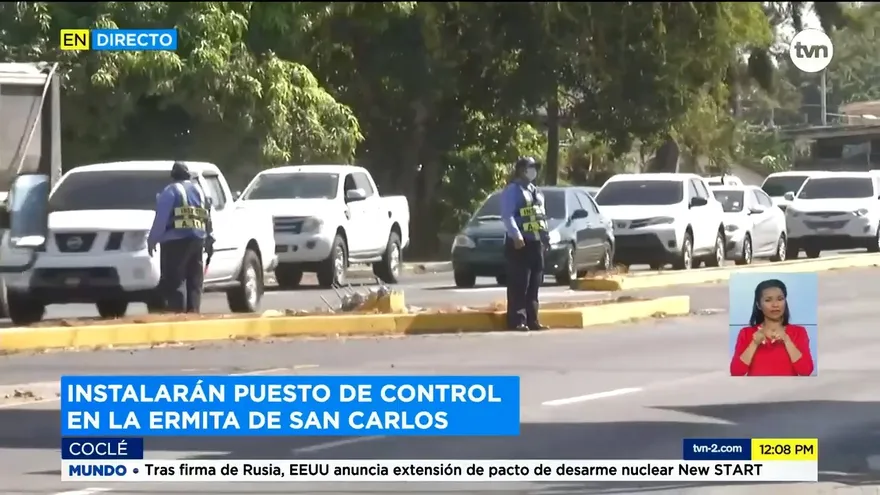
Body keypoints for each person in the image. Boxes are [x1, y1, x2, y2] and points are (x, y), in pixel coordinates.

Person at [147, 161, 214, 313]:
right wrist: (210, 241)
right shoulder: (200, 192)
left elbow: (161, 219)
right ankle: (193, 315)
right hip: (197, 240)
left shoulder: (170, 191)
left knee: (175, 282)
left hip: (174, 243)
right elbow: (207, 219)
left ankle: (178, 316)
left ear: (173, 176)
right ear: (188, 176)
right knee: (194, 282)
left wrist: (152, 241)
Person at [500, 157, 550, 331]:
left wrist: (545, 239)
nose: (534, 171)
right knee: (519, 284)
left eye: (535, 167)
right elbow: (507, 215)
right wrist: (516, 236)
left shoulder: (536, 191)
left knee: (535, 283)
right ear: (521, 170)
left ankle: (532, 320)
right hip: (520, 243)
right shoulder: (513, 190)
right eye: (531, 167)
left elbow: (540, 216)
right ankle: (517, 320)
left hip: (536, 243)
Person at [729, 279, 814, 376]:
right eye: (768, 300)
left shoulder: (799, 332)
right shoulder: (746, 333)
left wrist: (787, 341)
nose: (775, 305)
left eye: (780, 299)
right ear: (758, 305)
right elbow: (736, 372)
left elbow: (806, 371)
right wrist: (754, 343)